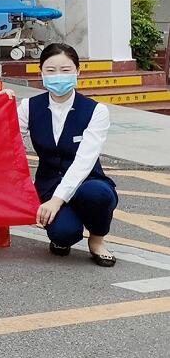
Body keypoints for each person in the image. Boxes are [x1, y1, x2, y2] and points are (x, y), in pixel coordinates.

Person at [11, 43, 117, 266]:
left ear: (78, 71)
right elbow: (7, 140)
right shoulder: (29, 107)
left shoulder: (96, 111)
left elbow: (84, 161)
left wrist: (56, 201)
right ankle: (65, 230)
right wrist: (3, 105)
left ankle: (97, 240)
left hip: (88, 182)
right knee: (63, 234)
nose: (58, 76)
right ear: (41, 73)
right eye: (50, 70)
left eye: (65, 70)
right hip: (49, 184)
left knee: (98, 195)